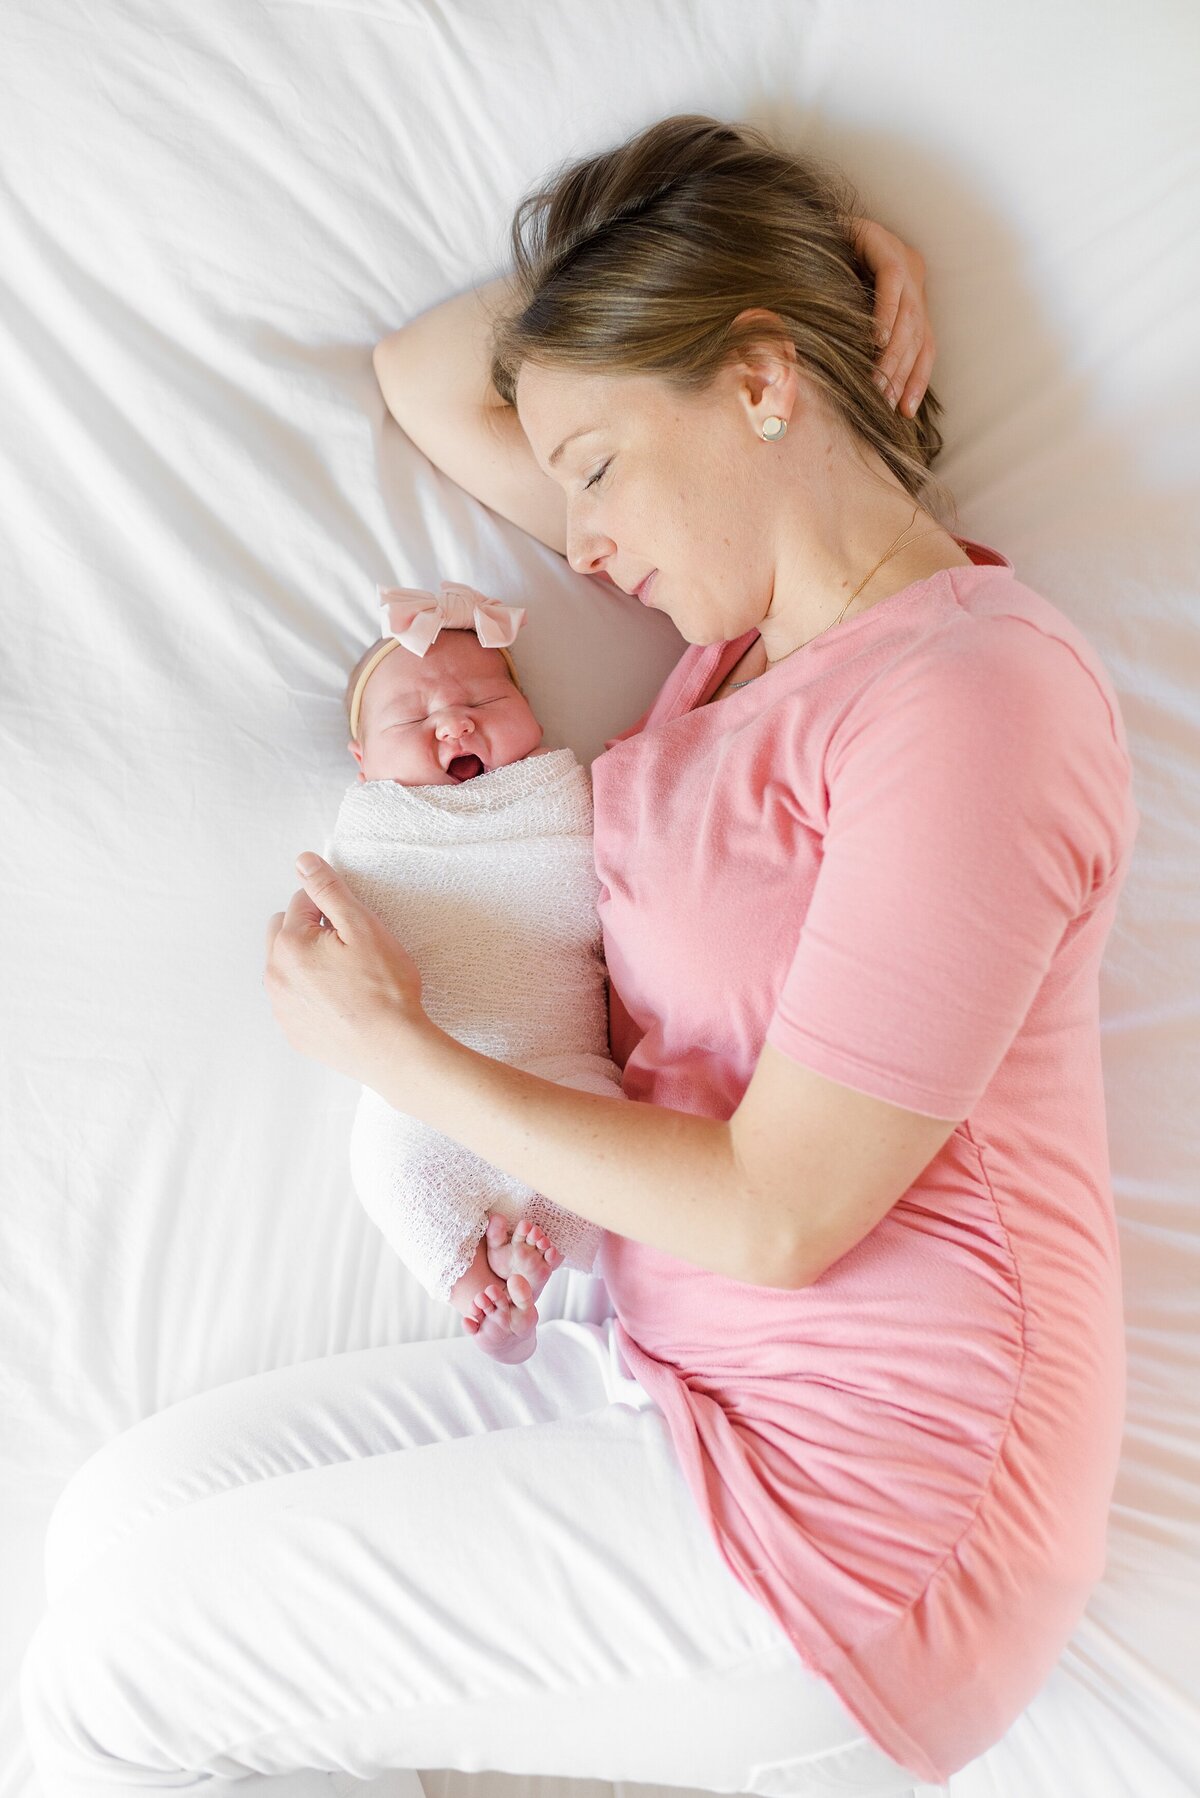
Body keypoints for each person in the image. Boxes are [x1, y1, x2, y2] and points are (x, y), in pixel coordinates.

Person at [20, 112, 1137, 1795]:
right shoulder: (737, 662)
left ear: (762, 387)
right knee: (119, 1520)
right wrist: (800, 216)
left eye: (598, 469)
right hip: (662, 1380)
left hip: (876, 1500)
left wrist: (406, 1055)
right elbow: (428, 373)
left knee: (123, 1660)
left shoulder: (975, 696)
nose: (579, 540)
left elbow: (783, 1207)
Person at [331, 580, 621, 1361]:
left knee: (611, 1138)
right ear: (362, 764)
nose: (455, 722)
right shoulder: (377, 835)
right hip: (423, 1088)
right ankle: (478, 1292)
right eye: (412, 719)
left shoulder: (561, 799)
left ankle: (541, 1254)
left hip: (558, 1069)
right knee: (386, 1163)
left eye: (485, 702)